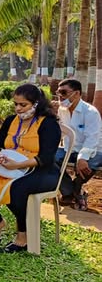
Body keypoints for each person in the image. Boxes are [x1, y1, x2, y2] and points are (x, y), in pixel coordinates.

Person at [0, 84, 61, 253]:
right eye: (16, 104)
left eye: (23, 105)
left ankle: (22, 238)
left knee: (17, 190)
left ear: (36, 103)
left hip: (42, 171)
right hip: (9, 166)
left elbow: (46, 158)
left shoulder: (48, 124)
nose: (18, 108)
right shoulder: (11, 120)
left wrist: (17, 165)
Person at [53, 79, 102, 211]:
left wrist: (82, 157)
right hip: (70, 149)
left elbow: (92, 138)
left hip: (94, 149)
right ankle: (72, 191)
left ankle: (75, 188)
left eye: (64, 92)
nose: (60, 96)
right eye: (58, 92)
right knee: (48, 157)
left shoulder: (90, 112)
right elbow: (61, 132)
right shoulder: (62, 110)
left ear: (77, 93)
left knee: (91, 163)